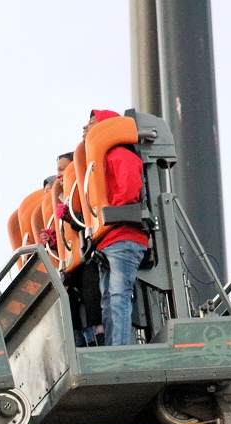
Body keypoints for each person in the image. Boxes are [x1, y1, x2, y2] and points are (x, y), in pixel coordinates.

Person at [83, 109, 147, 346]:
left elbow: (129, 189)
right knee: (108, 300)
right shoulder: (95, 165)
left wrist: (112, 211)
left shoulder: (118, 154)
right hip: (107, 240)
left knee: (118, 296)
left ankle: (119, 349)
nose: (85, 127)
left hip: (124, 237)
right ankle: (113, 347)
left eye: (91, 123)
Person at [52, 152, 104, 346]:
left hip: (90, 257)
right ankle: (80, 341)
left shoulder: (83, 191)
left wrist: (70, 217)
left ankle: (97, 336)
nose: (59, 175)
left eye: (62, 170)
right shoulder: (63, 198)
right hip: (73, 263)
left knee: (92, 292)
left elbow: (89, 221)